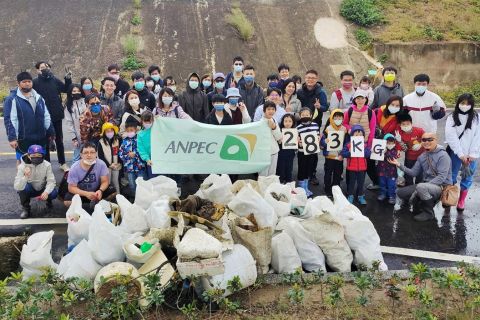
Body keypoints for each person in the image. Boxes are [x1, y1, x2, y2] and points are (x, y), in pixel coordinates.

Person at [389, 133, 452, 221]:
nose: (426, 142)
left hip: (441, 187)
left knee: (421, 187)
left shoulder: (443, 156)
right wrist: (398, 164)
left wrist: (419, 189)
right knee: (400, 192)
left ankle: (429, 213)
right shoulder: (422, 156)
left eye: (430, 139)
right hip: (426, 186)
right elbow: (413, 172)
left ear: (436, 140)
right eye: (424, 140)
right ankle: (421, 203)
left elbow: (441, 177)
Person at [4, 72, 55, 166]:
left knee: (39, 163)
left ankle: (39, 181)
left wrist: (51, 133)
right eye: (24, 81)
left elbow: (46, 116)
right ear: (18, 83)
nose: (27, 84)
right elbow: (10, 120)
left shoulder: (39, 98)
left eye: (29, 81)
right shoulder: (12, 99)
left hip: (40, 138)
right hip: (23, 139)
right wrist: (12, 138)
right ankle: (23, 181)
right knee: (23, 163)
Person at [33, 61, 72, 171]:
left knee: (59, 140)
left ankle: (62, 163)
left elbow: (66, 89)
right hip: (42, 117)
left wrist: (68, 79)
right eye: (42, 67)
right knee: (45, 141)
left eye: (46, 67)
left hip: (56, 115)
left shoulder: (54, 80)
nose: (45, 69)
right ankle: (47, 165)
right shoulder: (35, 83)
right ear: (37, 70)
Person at [445, 93, 480, 211]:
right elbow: (451, 136)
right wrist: (460, 154)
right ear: (458, 103)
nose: (465, 106)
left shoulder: (476, 118)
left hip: (472, 155)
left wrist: (472, 154)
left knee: (468, 176)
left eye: (468, 104)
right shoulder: (452, 117)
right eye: (462, 103)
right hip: (456, 153)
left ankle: (461, 200)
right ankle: (449, 196)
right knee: (452, 175)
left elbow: (477, 137)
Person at [64, 142, 116, 210]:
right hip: (81, 193)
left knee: (113, 191)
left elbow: (105, 181)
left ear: (96, 154)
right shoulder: (74, 167)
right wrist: (86, 194)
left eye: (92, 152)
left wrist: (100, 190)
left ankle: (97, 204)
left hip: (96, 192)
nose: (89, 155)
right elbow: (71, 188)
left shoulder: (101, 164)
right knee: (67, 201)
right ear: (81, 155)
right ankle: (85, 208)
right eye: (86, 153)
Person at [367, 95, 404, 190]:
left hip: (387, 144)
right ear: (388, 104)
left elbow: (398, 134)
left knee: (384, 166)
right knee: (369, 163)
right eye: (392, 104)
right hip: (373, 141)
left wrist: (398, 148)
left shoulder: (398, 118)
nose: (395, 107)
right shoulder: (377, 111)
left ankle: (386, 185)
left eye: (397, 106)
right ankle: (376, 182)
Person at [14, 145, 57, 219]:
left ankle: (49, 201)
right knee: (22, 189)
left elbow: (51, 181)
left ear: (42, 156)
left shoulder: (47, 165)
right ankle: (26, 208)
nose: (36, 158)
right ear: (29, 156)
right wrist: (25, 177)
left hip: (42, 187)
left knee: (53, 193)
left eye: (39, 155)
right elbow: (17, 186)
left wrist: (46, 192)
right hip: (30, 188)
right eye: (33, 155)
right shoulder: (22, 166)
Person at [341, 125, 371, 205]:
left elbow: (368, 154)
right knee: (351, 183)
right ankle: (350, 196)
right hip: (351, 168)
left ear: (363, 136)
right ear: (352, 136)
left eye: (360, 135)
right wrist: (350, 152)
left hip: (362, 168)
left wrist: (363, 151)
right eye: (356, 134)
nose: (358, 136)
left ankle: (360, 196)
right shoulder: (348, 144)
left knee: (361, 183)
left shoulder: (365, 145)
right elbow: (343, 153)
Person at [320, 109, 347, 198]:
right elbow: (322, 142)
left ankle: (336, 188)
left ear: (343, 119)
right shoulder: (328, 128)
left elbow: (346, 143)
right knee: (328, 173)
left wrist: (343, 154)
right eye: (335, 117)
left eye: (340, 117)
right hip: (329, 156)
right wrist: (325, 142)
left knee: (338, 173)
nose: (338, 119)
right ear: (332, 118)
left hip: (339, 156)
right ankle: (327, 189)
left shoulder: (344, 129)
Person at [395, 112, 425, 186]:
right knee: (408, 173)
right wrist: (399, 144)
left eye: (408, 124)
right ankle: (409, 187)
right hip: (409, 157)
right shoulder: (400, 134)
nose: (406, 126)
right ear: (400, 125)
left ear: (411, 123)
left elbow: (426, 139)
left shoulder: (419, 130)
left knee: (420, 173)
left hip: (421, 157)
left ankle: (419, 186)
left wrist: (420, 144)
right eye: (403, 124)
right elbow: (403, 148)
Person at [296, 107, 320, 198]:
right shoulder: (298, 127)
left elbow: (317, 136)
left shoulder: (315, 125)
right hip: (302, 152)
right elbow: (297, 140)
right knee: (302, 169)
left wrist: (318, 139)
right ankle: (302, 187)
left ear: (311, 115)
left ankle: (306, 187)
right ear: (300, 116)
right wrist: (299, 143)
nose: (305, 116)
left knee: (309, 169)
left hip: (312, 152)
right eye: (303, 115)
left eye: (307, 114)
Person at [119, 122, 146, 194]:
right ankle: (135, 199)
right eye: (128, 131)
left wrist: (135, 154)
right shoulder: (124, 141)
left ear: (136, 130)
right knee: (132, 185)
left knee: (141, 185)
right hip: (129, 168)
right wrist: (128, 155)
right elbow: (121, 153)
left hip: (140, 167)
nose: (129, 132)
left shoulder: (140, 139)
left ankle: (142, 198)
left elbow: (144, 151)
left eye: (131, 130)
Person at [64, 84, 87, 163]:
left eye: (78, 91)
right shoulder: (68, 105)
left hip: (88, 134)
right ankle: (74, 174)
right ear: (70, 92)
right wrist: (74, 138)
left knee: (89, 155)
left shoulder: (85, 101)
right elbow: (69, 122)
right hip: (77, 136)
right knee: (76, 158)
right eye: (74, 91)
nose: (76, 92)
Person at [259, 101, 282, 177]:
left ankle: (271, 188)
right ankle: (262, 188)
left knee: (272, 174)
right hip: (263, 153)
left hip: (274, 151)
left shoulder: (274, 121)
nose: (271, 111)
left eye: (273, 109)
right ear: (264, 110)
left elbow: (279, 137)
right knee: (263, 174)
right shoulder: (260, 123)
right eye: (268, 109)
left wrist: (274, 127)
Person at [98, 122, 122, 194]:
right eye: (107, 131)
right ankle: (108, 198)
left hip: (116, 166)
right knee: (107, 183)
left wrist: (119, 163)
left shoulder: (117, 140)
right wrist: (109, 165)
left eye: (111, 131)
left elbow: (120, 152)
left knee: (116, 182)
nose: (110, 133)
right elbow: (100, 156)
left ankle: (118, 197)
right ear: (104, 132)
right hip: (106, 167)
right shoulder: (101, 142)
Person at [377, 134, 399, 204]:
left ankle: (392, 196)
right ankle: (383, 194)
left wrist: (386, 152)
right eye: (388, 143)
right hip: (382, 172)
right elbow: (375, 156)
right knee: (382, 184)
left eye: (392, 143)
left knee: (391, 185)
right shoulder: (381, 149)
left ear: (394, 143)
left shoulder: (395, 151)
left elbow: (392, 158)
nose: (390, 144)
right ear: (384, 143)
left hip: (392, 173)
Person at [276, 114, 296, 183]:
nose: (287, 123)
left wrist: (297, 140)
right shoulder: (280, 131)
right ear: (282, 122)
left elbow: (296, 145)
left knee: (289, 169)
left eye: (290, 121)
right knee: (280, 169)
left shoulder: (295, 131)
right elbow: (278, 141)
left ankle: (289, 183)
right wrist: (279, 139)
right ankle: (280, 183)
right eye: (286, 121)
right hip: (281, 153)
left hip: (290, 154)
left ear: (293, 122)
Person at [137, 111, 156, 179]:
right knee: (153, 181)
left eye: (149, 122)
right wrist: (147, 159)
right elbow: (141, 149)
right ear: (142, 121)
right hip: (150, 162)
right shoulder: (140, 134)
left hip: (160, 159)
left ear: (153, 121)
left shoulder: (157, 129)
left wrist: (160, 120)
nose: (148, 124)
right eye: (146, 122)